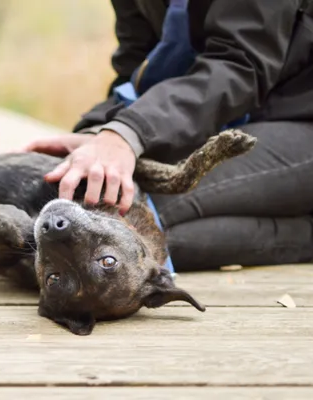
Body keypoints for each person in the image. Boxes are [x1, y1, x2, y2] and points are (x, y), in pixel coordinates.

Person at [22, 0, 313, 271]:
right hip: (227, 118)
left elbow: (240, 65)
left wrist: (127, 133)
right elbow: (137, 69)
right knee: (92, 204)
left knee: (132, 228)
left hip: (299, 120)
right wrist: (100, 132)